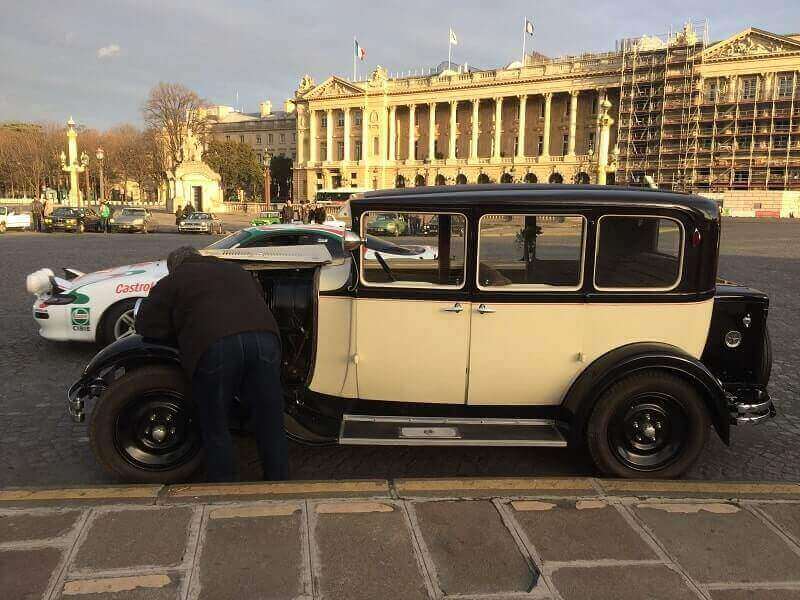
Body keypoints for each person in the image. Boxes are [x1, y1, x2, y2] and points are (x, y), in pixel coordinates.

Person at [135, 246, 288, 482]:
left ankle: (224, 482)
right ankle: (278, 479)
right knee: (269, 417)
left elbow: (146, 324)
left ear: (174, 266)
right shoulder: (236, 270)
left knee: (215, 420)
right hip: (265, 340)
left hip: (216, 345)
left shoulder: (174, 279)